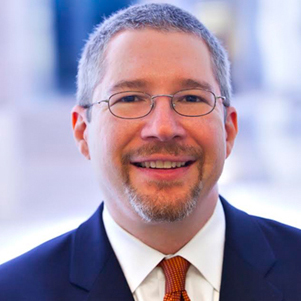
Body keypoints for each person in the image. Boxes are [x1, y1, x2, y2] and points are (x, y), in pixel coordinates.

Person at [0, 3, 301, 301]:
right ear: (82, 131)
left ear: (228, 129)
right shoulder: (14, 291)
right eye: (130, 97)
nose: (163, 127)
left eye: (191, 98)